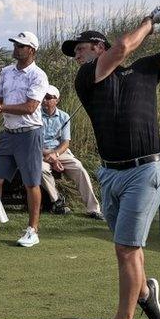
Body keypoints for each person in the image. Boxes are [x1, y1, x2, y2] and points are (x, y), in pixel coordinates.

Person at [62, 5, 160, 319]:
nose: (76, 56)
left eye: (81, 49)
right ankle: (146, 293)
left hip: (146, 170)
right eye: (74, 53)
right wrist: (149, 23)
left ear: (98, 46)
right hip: (110, 176)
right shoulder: (86, 77)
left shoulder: (145, 70)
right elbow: (122, 48)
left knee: (124, 248)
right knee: (129, 248)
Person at [0, 31, 48, 247]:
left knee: (31, 182)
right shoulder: (6, 72)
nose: (16, 48)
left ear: (31, 50)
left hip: (29, 134)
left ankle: (33, 230)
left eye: (21, 46)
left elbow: (31, 107)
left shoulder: (38, 75)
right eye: (15, 44)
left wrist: (1, 107)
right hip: (8, 135)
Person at [40, 85, 103, 219]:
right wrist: (51, 158)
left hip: (60, 152)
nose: (45, 100)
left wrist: (55, 155)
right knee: (41, 169)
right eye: (43, 97)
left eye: (49, 98)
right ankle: (57, 201)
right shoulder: (36, 116)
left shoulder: (64, 116)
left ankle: (93, 209)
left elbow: (65, 142)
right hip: (40, 153)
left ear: (56, 100)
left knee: (79, 168)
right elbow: (34, 143)